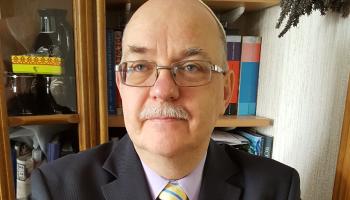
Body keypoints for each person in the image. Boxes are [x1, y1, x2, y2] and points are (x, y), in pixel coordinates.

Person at [32, 0, 301, 199]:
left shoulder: (277, 187)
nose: (163, 89)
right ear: (121, 87)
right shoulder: (57, 189)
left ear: (225, 90)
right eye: (139, 67)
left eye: (191, 67)